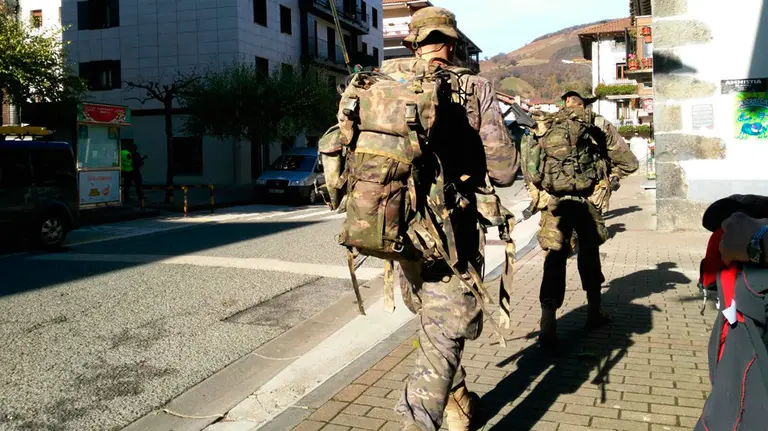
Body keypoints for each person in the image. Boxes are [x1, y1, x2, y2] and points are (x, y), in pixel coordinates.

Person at [386, 7, 519, 431]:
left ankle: (457, 400)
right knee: (442, 336)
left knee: (436, 320)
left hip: (394, 228)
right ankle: (418, 422)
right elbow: (502, 169)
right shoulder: (474, 86)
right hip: (451, 234)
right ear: (452, 43)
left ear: (413, 44)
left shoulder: (382, 84)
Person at [535, 91, 638, 350]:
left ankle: (548, 322)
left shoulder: (547, 123)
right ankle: (594, 312)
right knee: (589, 254)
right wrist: (610, 175)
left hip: (554, 203)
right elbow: (628, 162)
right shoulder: (596, 122)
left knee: (554, 259)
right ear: (585, 103)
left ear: (565, 101)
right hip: (587, 202)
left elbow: (532, 168)